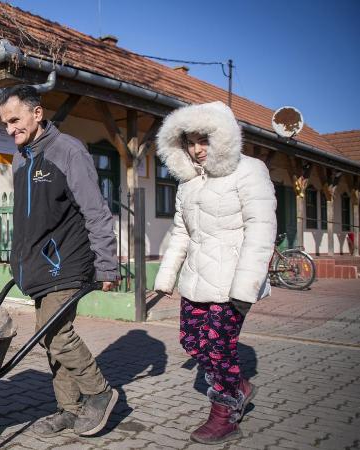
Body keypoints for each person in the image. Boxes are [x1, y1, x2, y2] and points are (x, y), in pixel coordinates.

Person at [0, 85, 119, 437]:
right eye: (5, 123)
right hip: (37, 266)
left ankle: (100, 392)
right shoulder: (20, 159)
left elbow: (96, 212)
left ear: (37, 114)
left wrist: (107, 265)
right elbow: (27, 218)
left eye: (15, 120)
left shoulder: (69, 152)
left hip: (66, 262)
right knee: (53, 340)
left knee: (54, 333)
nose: (9, 130)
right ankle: (70, 408)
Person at [153, 101, 276, 444]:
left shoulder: (250, 170)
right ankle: (238, 384)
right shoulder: (189, 184)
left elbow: (261, 229)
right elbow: (181, 233)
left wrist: (245, 287)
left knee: (219, 347)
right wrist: (166, 278)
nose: (197, 149)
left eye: (204, 140)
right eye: (190, 142)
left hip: (232, 281)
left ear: (222, 137)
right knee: (191, 341)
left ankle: (225, 413)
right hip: (195, 279)